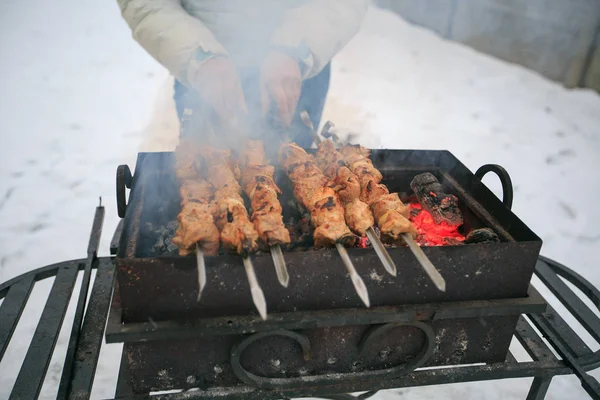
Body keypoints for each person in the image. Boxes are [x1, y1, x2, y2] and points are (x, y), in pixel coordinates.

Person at [117, 0, 369, 147]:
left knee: (294, 162)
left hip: (297, 67)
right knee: (206, 168)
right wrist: (199, 56)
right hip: (204, 70)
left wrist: (296, 47)